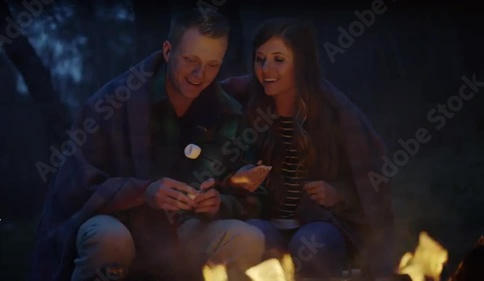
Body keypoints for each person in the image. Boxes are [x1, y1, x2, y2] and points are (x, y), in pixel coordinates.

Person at [29, 8, 268, 281]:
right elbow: (77, 186)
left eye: (212, 64)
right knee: (109, 239)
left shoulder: (225, 112)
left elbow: (244, 193)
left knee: (247, 238)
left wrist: (218, 202)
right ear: (168, 51)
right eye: (190, 60)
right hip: (120, 222)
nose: (199, 74)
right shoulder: (114, 103)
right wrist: (143, 192)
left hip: (180, 232)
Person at [220, 17, 395, 279]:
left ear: (301, 64)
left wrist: (338, 194)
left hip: (322, 223)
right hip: (265, 220)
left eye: (279, 60)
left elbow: (370, 177)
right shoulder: (245, 105)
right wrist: (236, 180)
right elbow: (216, 164)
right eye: (260, 59)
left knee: (310, 244)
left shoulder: (333, 112)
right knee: (252, 237)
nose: (266, 69)